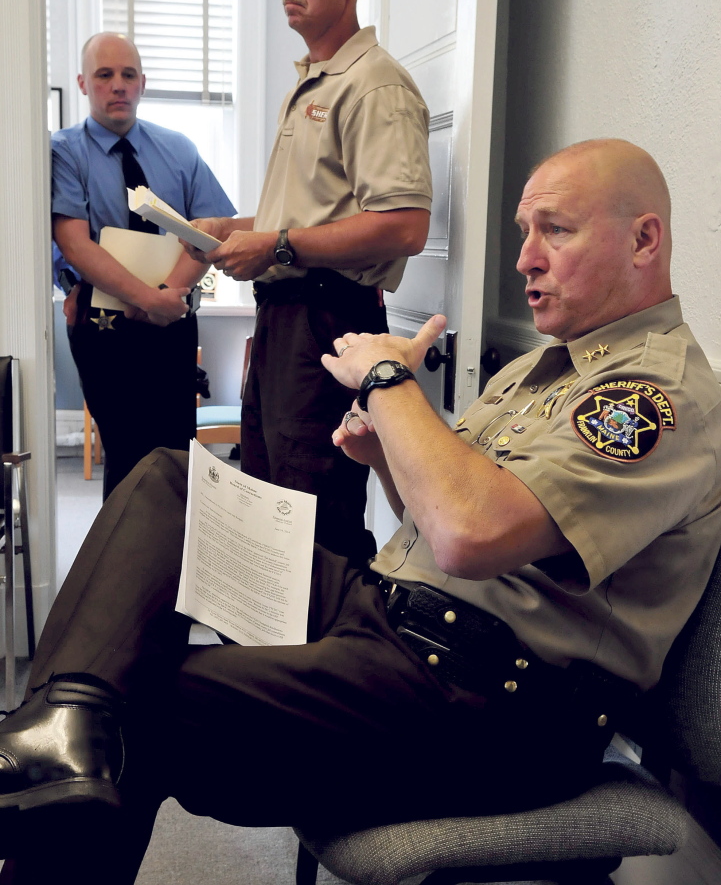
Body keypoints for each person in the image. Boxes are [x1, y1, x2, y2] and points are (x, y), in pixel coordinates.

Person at [1, 139, 720, 883]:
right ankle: (55, 724)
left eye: (555, 231)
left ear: (643, 238)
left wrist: (385, 378)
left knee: (140, 707)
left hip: (491, 704)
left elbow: (471, 535)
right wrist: (386, 454)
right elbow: (442, 520)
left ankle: (56, 746)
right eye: (521, 233)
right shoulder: (545, 369)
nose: (524, 259)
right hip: (391, 615)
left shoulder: (652, 397)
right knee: (169, 481)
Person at [184, 0, 432, 562]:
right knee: (268, 497)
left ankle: (329, 657)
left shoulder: (373, 84)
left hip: (328, 319)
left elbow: (404, 226)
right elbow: (308, 213)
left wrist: (276, 245)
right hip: (283, 318)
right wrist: (224, 230)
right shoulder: (311, 81)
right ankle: (272, 658)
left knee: (310, 513)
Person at [52, 32, 236, 499]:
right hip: (103, 321)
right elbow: (75, 244)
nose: (118, 86)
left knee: (177, 452)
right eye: (104, 75)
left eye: (128, 75)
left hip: (173, 316)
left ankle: (175, 568)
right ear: (82, 83)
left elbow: (213, 228)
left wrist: (167, 297)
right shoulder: (64, 151)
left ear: (143, 83)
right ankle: (124, 569)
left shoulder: (179, 150)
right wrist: (147, 298)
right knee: (128, 454)